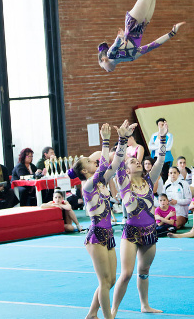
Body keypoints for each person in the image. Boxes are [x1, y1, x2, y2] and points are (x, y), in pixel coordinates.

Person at [68, 121, 136, 319]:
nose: (94, 162)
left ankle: (91, 314)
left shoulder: (102, 181)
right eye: (89, 161)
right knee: (104, 281)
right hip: (96, 235)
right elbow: (105, 165)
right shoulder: (88, 185)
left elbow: (115, 163)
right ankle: (108, 317)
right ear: (84, 171)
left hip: (107, 234)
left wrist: (123, 140)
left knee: (111, 280)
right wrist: (105, 141)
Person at [111, 121, 168, 317]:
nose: (136, 161)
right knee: (126, 274)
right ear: (126, 169)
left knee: (144, 270)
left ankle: (145, 305)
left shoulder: (148, 180)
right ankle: (113, 310)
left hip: (150, 231)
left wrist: (162, 137)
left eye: (137, 160)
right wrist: (123, 139)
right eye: (132, 161)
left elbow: (160, 160)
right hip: (131, 232)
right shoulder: (123, 182)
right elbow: (117, 161)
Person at [148, 117, 173, 182]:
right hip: (155, 157)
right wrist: (161, 146)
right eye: (159, 125)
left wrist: (157, 146)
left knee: (164, 175)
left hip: (165, 158)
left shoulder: (169, 135)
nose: (160, 126)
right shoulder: (154, 135)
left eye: (162, 125)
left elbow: (168, 147)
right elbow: (150, 146)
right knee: (155, 174)